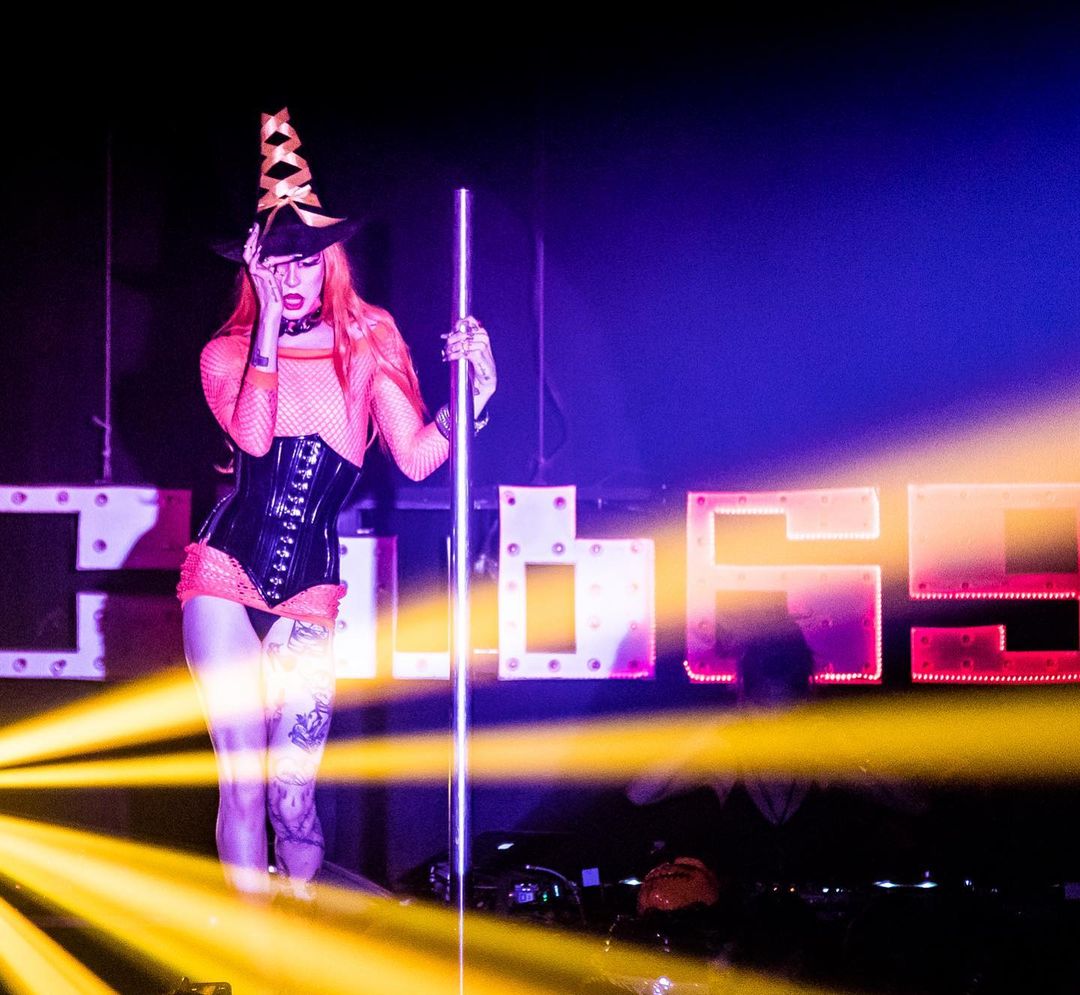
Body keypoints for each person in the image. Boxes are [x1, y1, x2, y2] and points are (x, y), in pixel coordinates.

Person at [176, 108, 496, 900]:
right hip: (224, 576)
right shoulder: (224, 353)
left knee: (293, 803)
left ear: (331, 261)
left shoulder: (369, 341)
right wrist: (268, 329)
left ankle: (301, 913)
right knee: (244, 786)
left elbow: (418, 456)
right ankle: (252, 952)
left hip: (310, 590)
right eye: (275, 263)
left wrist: (474, 399)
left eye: (305, 260)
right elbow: (254, 439)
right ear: (254, 268)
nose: (292, 277)